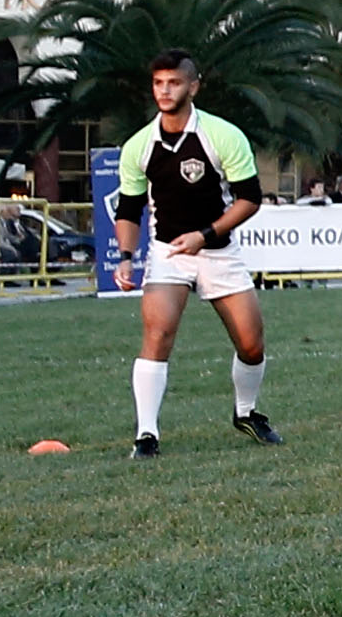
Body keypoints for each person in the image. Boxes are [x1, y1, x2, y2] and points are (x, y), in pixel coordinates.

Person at [109, 50, 274, 450]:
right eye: (158, 83)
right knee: (158, 333)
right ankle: (146, 434)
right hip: (168, 251)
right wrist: (126, 257)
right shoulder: (138, 146)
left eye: (174, 82)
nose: (165, 90)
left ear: (193, 86)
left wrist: (205, 234)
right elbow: (129, 209)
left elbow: (249, 199)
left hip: (218, 251)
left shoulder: (222, 135)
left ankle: (246, 412)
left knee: (252, 345)